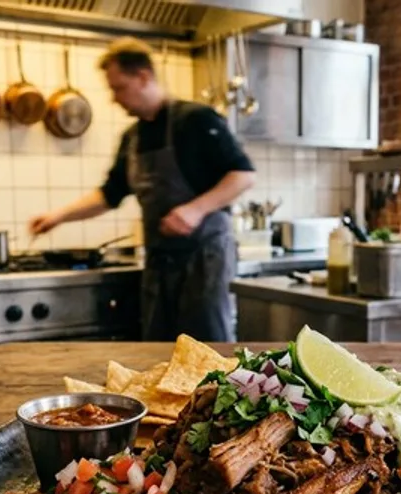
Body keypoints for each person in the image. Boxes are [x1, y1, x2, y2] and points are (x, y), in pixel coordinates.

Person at [27, 38, 255, 342]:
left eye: (119, 87)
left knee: (208, 348)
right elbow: (109, 195)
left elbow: (243, 175)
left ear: (144, 77)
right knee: (157, 350)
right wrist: (58, 216)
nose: (114, 98)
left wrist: (195, 209)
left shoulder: (195, 120)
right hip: (159, 263)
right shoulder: (132, 137)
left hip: (204, 260)